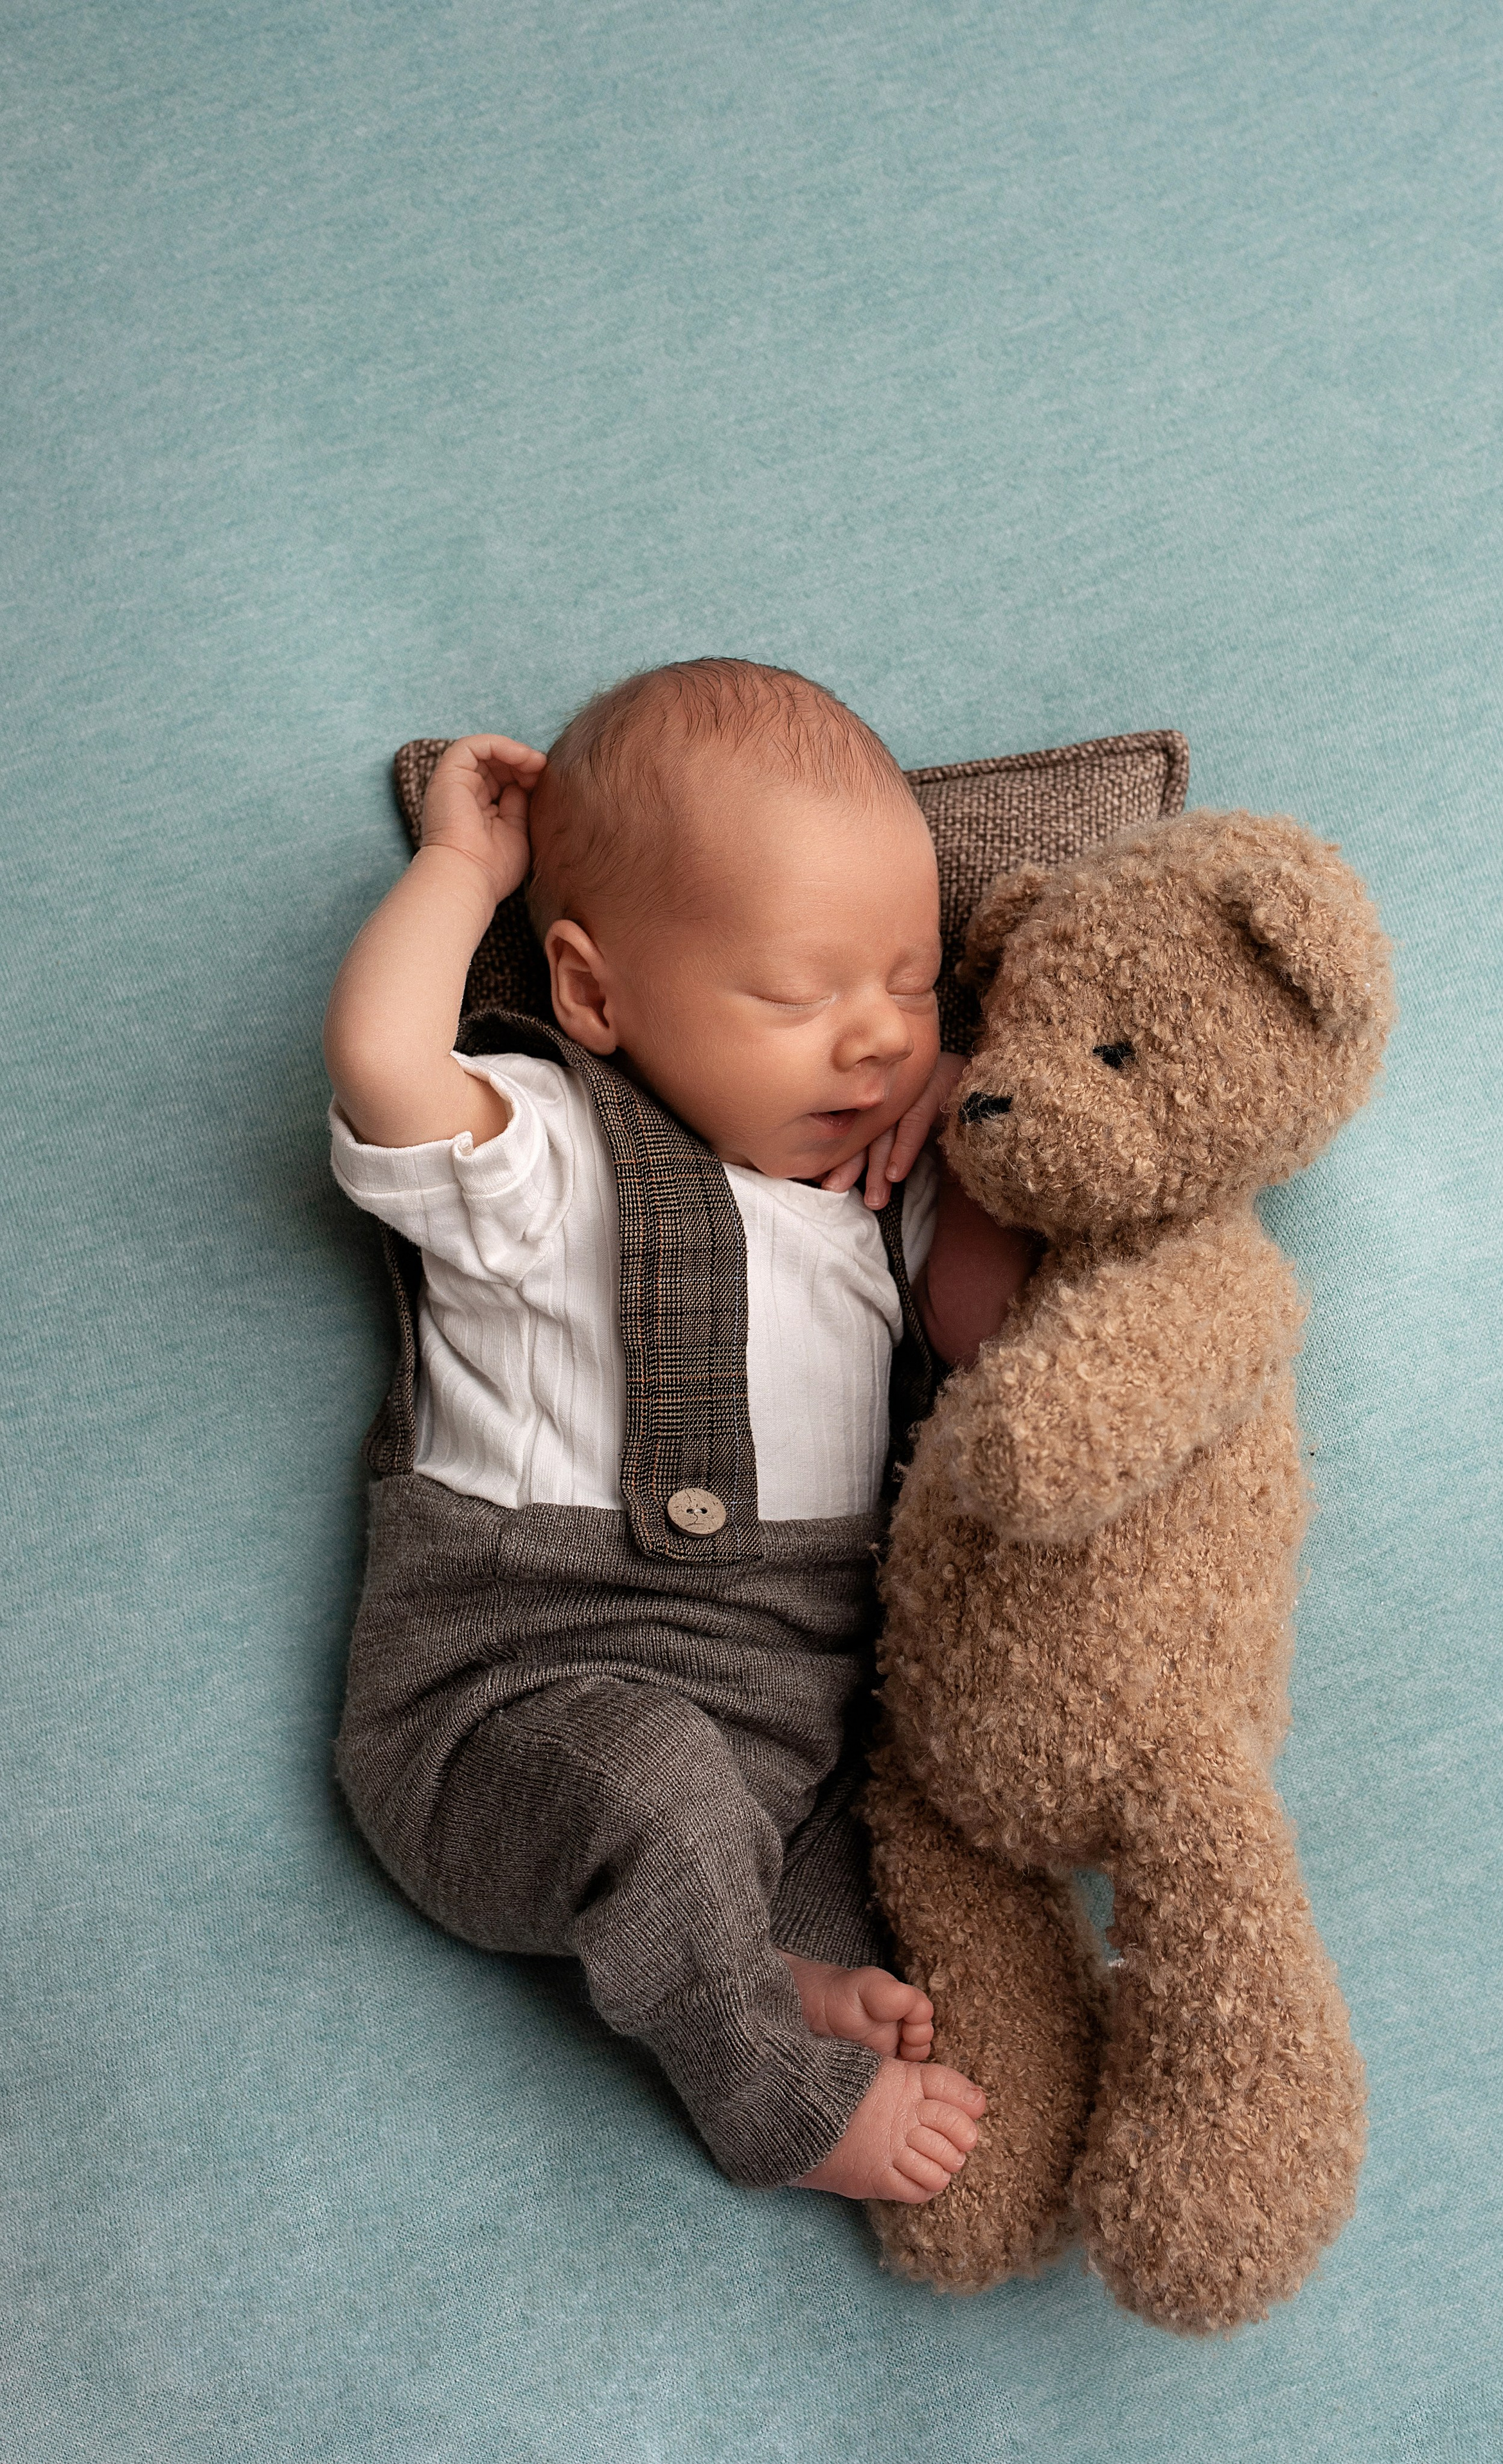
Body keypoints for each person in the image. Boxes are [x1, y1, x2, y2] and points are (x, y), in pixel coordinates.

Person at [323, 659, 1034, 2202]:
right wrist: (463, 870)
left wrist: (977, 1113)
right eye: (795, 993)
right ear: (592, 991)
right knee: (648, 1787)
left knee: (873, 1854)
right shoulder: (544, 1154)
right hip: (504, 1702)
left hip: (784, 1723)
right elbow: (383, 1065)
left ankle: (751, 1961)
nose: (866, 1041)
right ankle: (767, 2092)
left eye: (904, 988)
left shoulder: (866, 1199)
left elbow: (987, 1329)